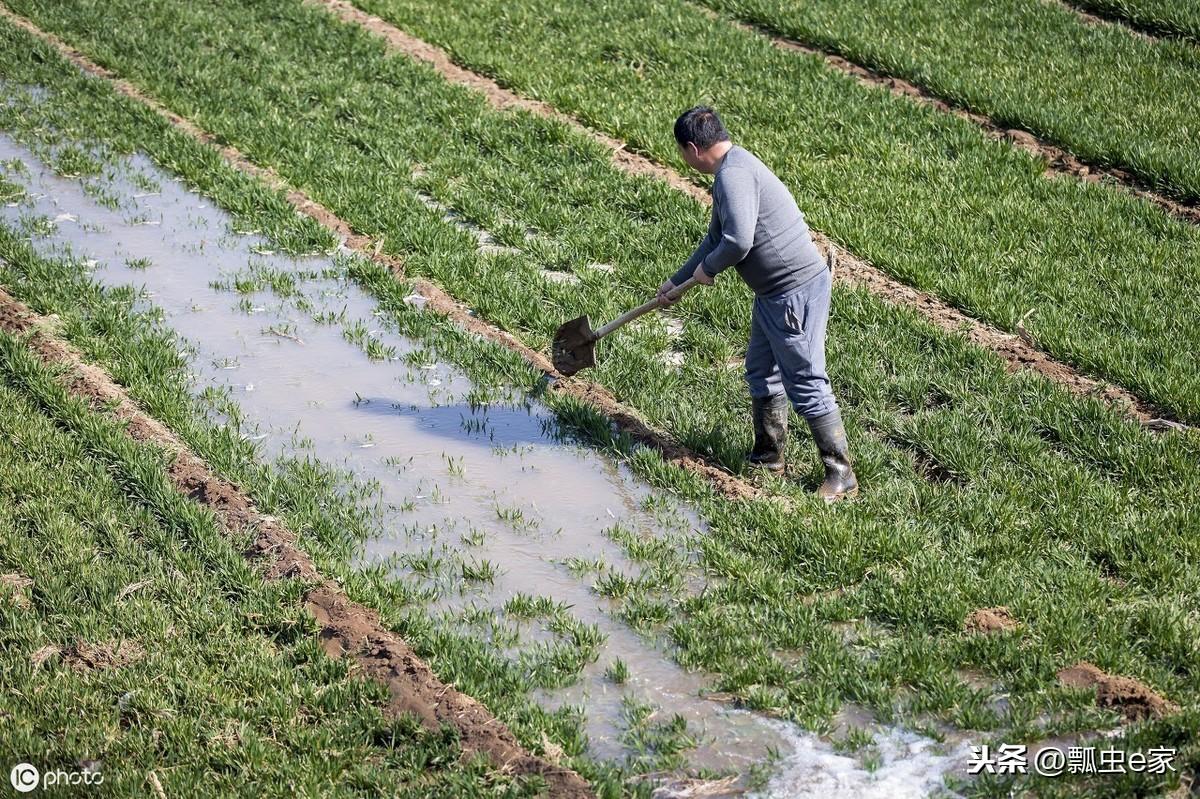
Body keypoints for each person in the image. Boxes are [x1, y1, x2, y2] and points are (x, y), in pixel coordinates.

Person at [657, 106, 857, 501]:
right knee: (762, 370)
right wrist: (678, 281)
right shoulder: (733, 167)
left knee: (806, 381)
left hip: (793, 291)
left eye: (681, 153)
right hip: (773, 294)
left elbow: (738, 242)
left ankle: (841, 475)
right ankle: (768, 457)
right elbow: (716, 239)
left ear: (694, 149)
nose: (683, 160)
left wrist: (707, 272)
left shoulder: (733, 176)